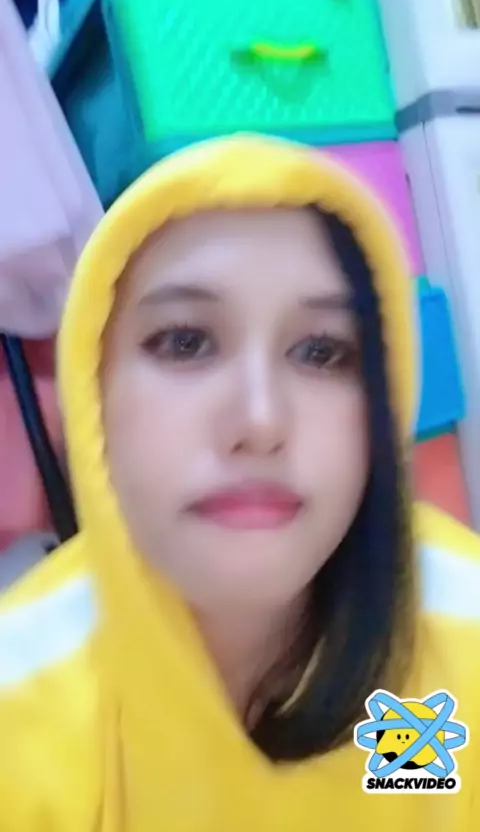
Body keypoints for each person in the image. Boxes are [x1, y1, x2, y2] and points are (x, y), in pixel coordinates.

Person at [1, 134, 480, 831]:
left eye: (322, 351)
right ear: (93, 391)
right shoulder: (20, 700)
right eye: (186, 342)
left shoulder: (466, 629)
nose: (260, 422)